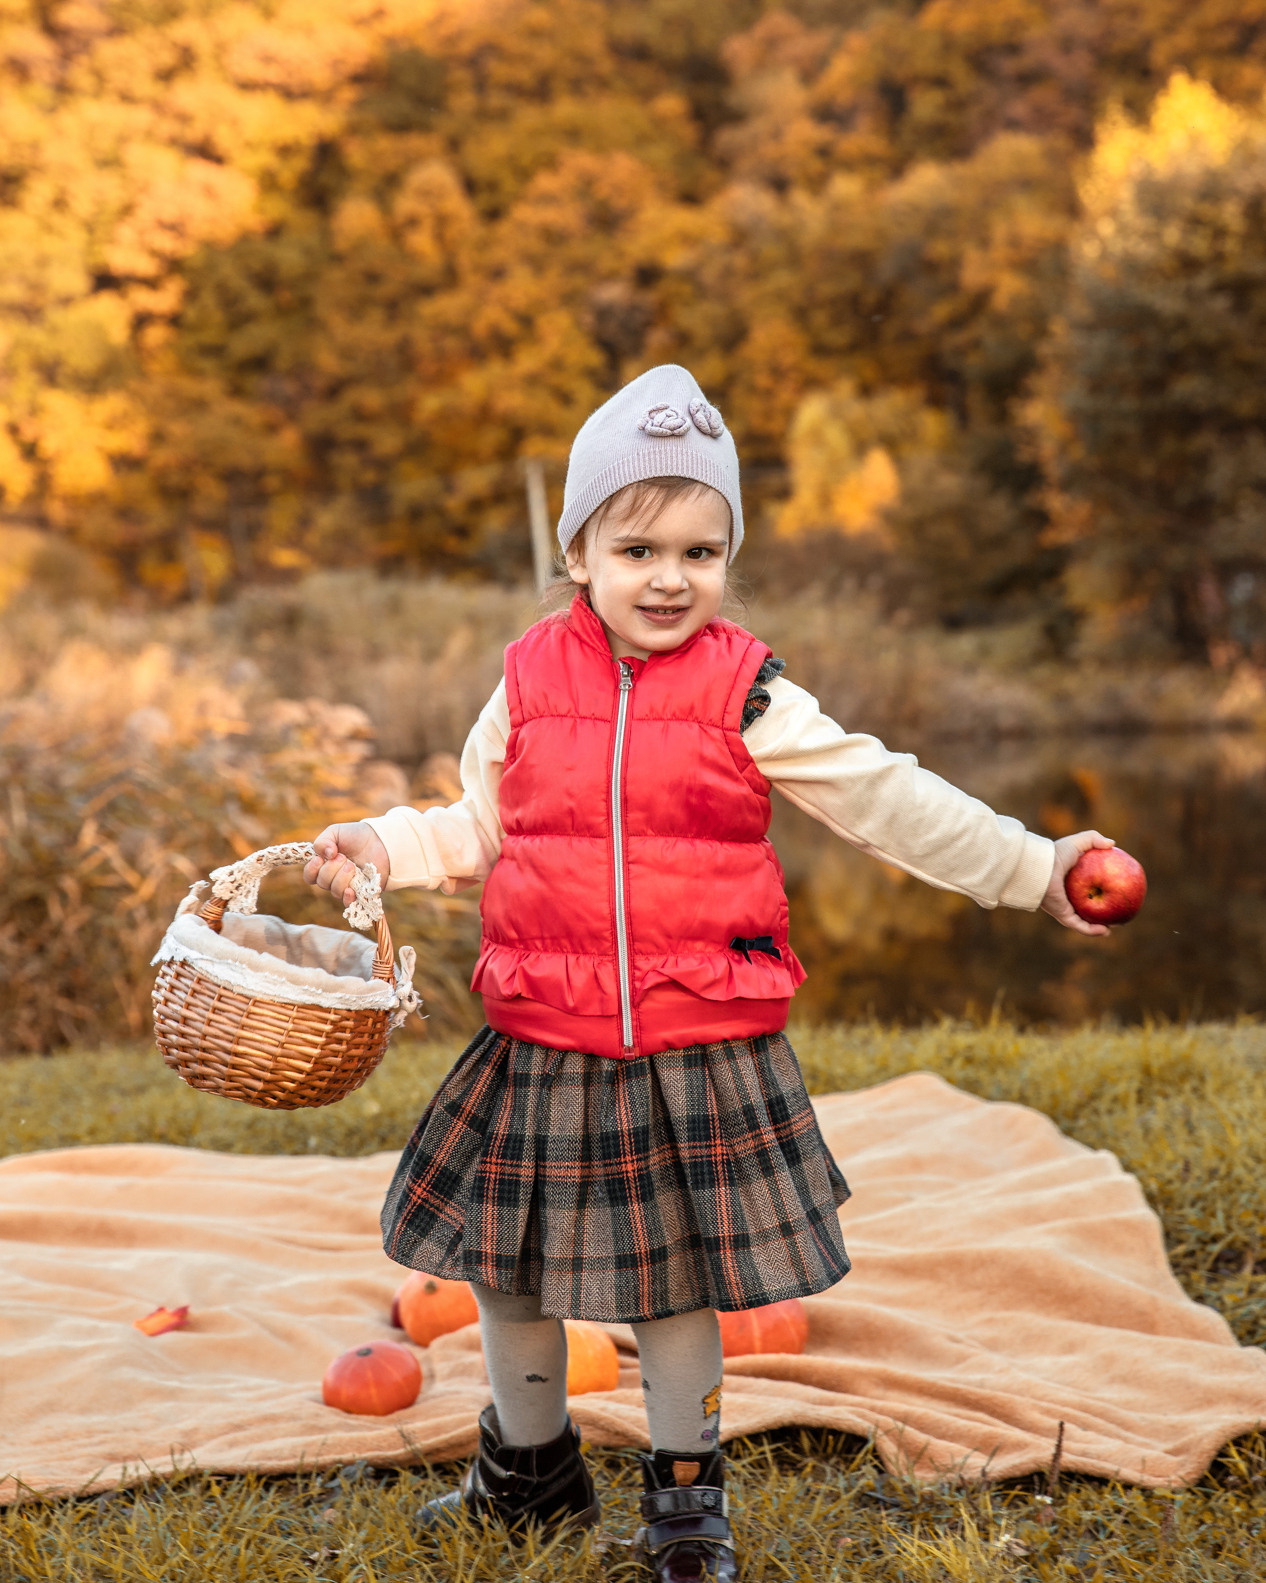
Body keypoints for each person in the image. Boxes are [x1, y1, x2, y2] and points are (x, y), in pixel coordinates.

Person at [304, 364, 1112, 1582]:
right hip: (545, 1037)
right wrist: (381, 840)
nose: (670, 576)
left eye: (702, 547)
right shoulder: (526, 681)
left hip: (697, 1043)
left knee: (673, 1286)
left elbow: (889, 798)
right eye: (637, 548)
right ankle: (528, 1468)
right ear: (579, 552)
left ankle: (686, 1499)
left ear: (729, 553)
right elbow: (475, 825)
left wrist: (1035, 866)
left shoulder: (752, 692)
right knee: (502, 1270)